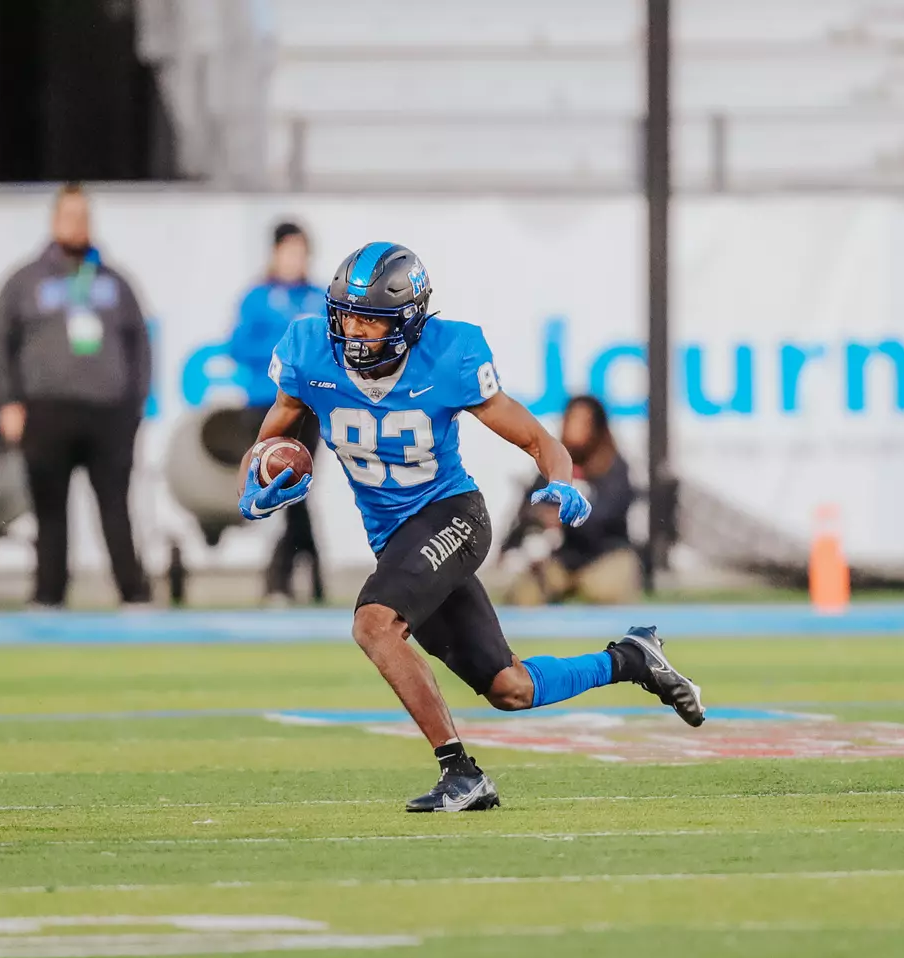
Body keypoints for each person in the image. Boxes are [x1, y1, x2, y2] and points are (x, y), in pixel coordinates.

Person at [238, 243, 705, 813]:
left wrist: (561, 481)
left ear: (409, 322)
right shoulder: (310, 352)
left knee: (374, 624)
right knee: (510, 688)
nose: (355, 332)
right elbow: (267, 442)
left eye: (372, 320)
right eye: (348, 315)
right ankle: (632, 658)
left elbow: (540, 439)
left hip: (453, 515)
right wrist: (254, 484)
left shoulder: (448, 356)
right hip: (395, 540)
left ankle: (461, 773)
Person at [0, 184, 152, 608]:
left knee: (116, 506)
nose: (77, 225)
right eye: (70, 216)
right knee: (49, 510)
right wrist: (8, 400)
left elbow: (140, 345)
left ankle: (133, 593)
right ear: (54, 220)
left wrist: (134, 406)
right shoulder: (25, 282)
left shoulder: (115, 282)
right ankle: (48, 594)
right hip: (47, 411)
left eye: (84, 216)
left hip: (108, 413)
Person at [228, 221, 324, 603]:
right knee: (287, 488)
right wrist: (285, 353)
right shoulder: (256, 298)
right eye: (289, 252)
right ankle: (303, 573)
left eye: (301, 253)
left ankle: (286, 577)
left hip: (311, 408)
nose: (295, 260)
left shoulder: (318, 298)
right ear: (275, 254)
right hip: (266, 407)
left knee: (296, 489)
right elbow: (237, 346)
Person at [505, 395, 642, 605]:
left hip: (604, 555)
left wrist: (564, 519)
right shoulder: (555, 464)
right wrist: (539, 518)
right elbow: (530, 505)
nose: (574, 430)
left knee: (603, 589)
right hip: (562, 559)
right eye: (571, 421)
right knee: (524, 595)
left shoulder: (612, 466)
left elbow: (606, 515)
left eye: (583, 423)